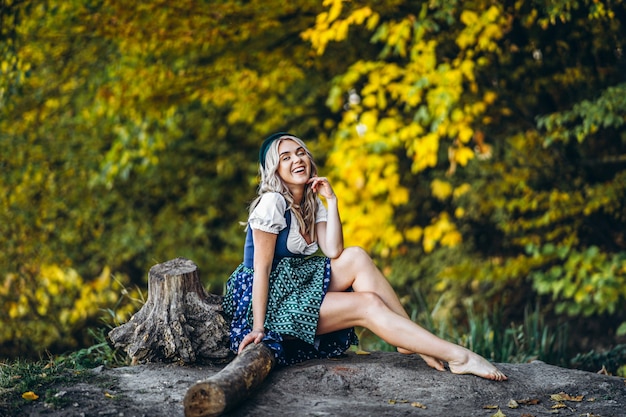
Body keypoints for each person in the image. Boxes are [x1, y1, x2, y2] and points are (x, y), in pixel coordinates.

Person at [223, 132, 507, 381]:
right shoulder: (272, 203)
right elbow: (261, 270)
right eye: (285, 157)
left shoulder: (310, 200)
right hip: (266, 301)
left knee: (356, 256)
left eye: (300, 153)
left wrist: (331, 200)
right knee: (367, 303)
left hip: (295, 284)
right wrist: (259, 328)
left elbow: (334, 251)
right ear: (274, 168)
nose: (297, 160)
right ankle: (459, 357)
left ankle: (410, 341)